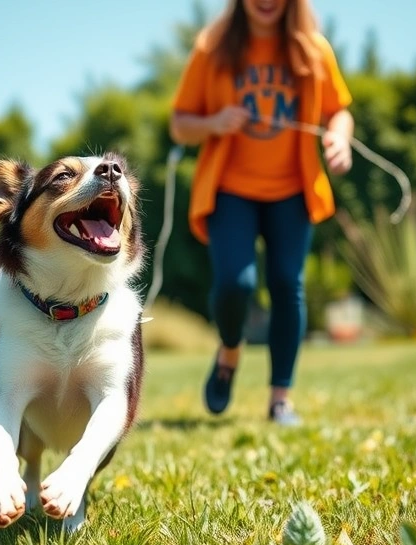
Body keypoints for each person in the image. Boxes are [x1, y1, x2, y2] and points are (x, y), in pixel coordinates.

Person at [169, 0, 354, 426]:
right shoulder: (212, 47)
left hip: (292, 190)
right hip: (230, 190)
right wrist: (214, 122)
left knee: (288, 285)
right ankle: (230, 349)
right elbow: (180, 123)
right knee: (236, 284)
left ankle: (280, 400)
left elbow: (339, 110)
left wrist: (340, 140)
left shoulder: (313, 49)